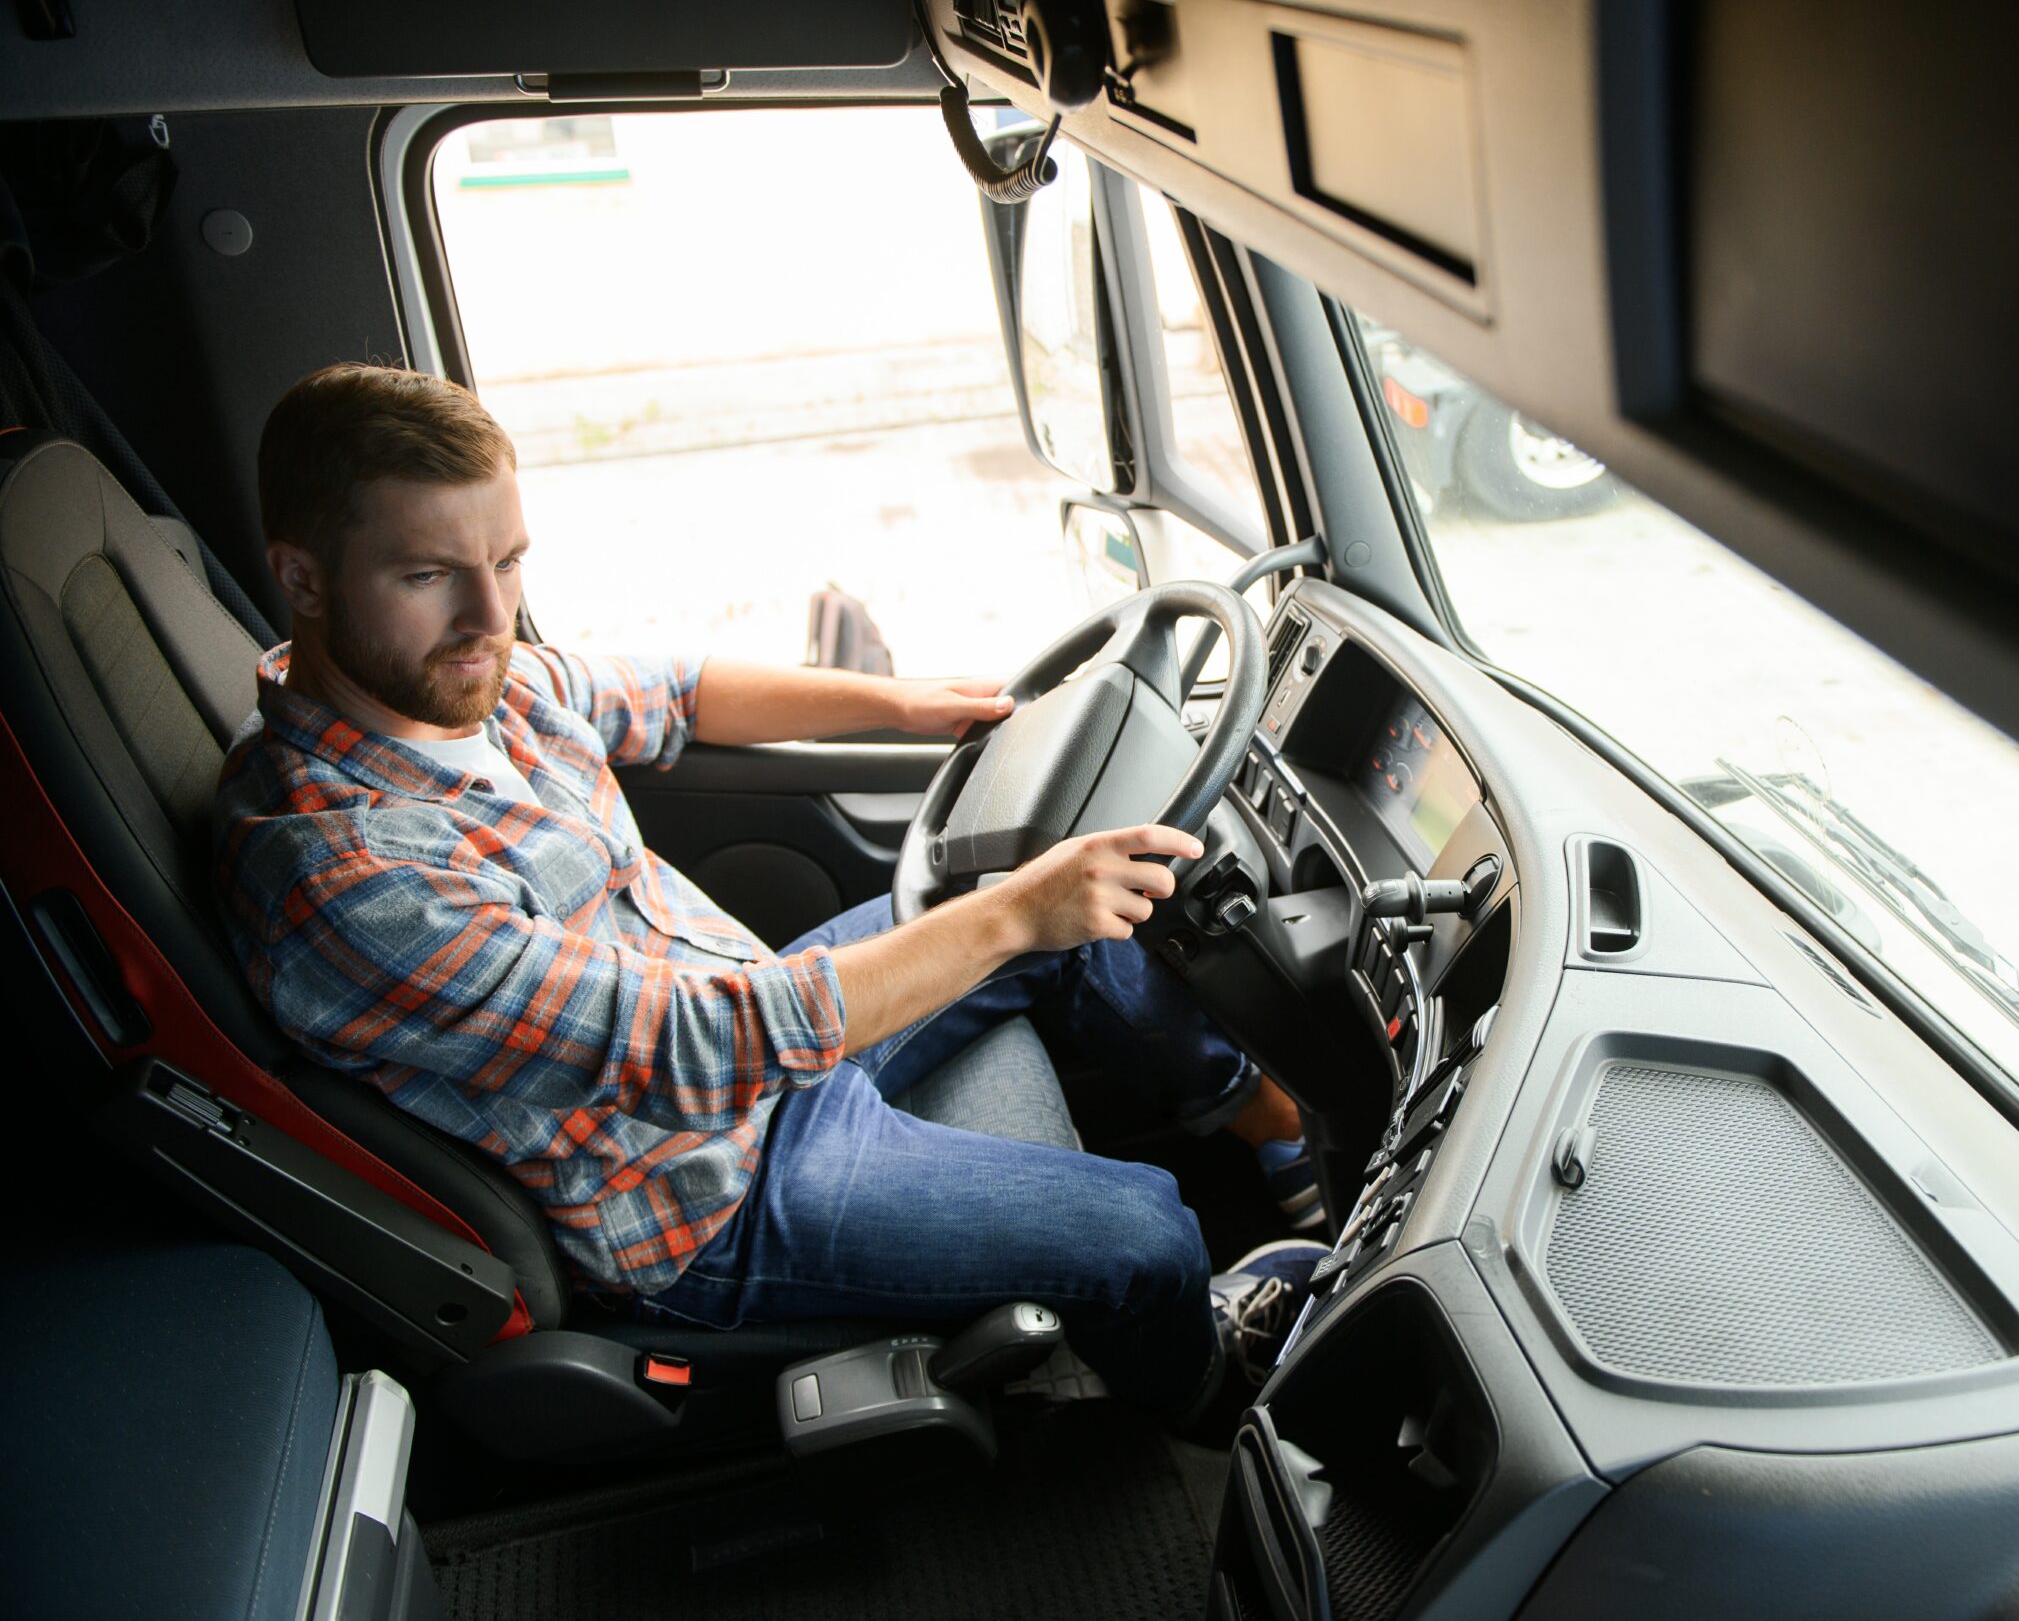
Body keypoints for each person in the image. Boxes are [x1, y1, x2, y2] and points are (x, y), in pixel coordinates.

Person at [213, 362, 1322, 1430]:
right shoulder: (347, 874)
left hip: (761, 1030)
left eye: (508, 562)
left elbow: (677, 692)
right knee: (1146, 1227)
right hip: (700, 1198)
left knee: (1055, 886)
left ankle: (1267, 1123)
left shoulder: (479, 692)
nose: (490, 613)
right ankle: (1205, 1398)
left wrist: (904, 705)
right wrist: (1014, 914)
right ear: (305, 577)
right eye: (428, 575)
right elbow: (693, 1045)